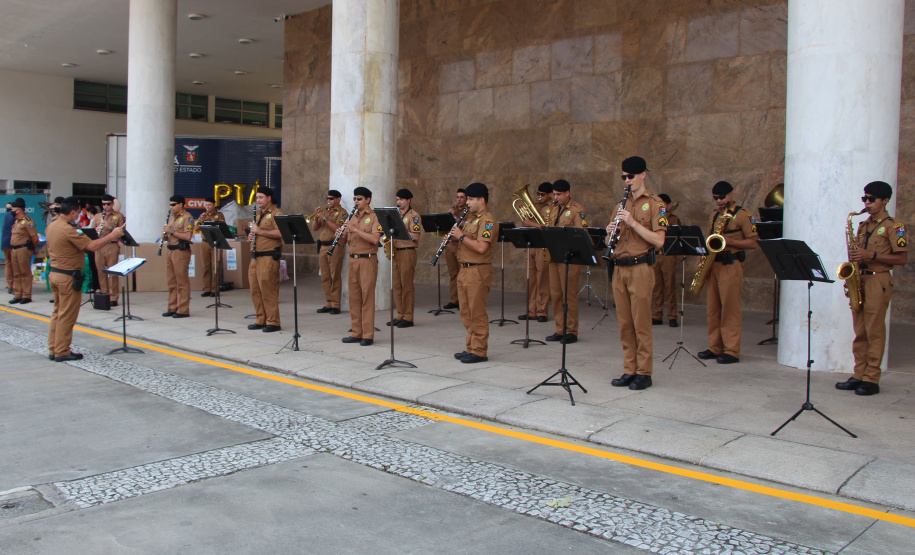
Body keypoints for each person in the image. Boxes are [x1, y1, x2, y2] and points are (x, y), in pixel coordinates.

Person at [836, 181, 908, 396]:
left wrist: (872, 255)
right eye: (864, 199)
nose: (867, 203)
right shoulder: (863, 225)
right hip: (861, 279)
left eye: (871, 199)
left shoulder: (896, 226)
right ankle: (858, 374)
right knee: (860, 331)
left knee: (874, 331)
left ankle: (871, 378)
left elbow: (902, 259)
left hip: (879, 279)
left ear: (885, 200)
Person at [608, 157, 668, 390]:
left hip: (641, 268)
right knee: (625, 324)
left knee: (641, 323)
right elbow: (608, 241)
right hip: (620, 268)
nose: (627, 180)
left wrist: (632, 223)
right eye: (623, 176)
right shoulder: (620, 204)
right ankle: (629, 369)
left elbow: (659, 241)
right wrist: (609, 231)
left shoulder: (656, 204)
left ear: (643, 174)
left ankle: (644, 372)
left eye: (630, 176)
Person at [46, 196, 123, 361]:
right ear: (73, 212)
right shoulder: (69, 229)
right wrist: (112, 235)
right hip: (67, 277)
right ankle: (61, 351)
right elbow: (92, 246)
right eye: (77, 213)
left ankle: (53, 348)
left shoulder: (52, 225)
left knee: (57, 313)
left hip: (55, 273)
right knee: (67, 315)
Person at [696, 181, 758, 364]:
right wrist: (702, 255)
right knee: (713, 308)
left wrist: (729, 241)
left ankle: (732, 350)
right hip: (713, 264)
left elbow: (753, 242)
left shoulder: (743, 214)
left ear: (731, 194)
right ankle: (715, 347)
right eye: (715, 198)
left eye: (722, 197)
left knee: (730, 309)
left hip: (731, 265)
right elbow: (709, 238)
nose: (719, 201)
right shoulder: (715, 215)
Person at [451, 182, 499, 363]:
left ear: (481, 199)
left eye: (471, 199)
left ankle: (479, 351)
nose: (467, 203)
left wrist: (461, 236)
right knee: (466, 312)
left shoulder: (487, 221)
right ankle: (470, 347)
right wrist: (455, 241)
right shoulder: (471, 219)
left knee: (477, 312)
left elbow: (481, 248)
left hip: (478, 271)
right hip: (465, 269)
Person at [542, 179, 588, 344]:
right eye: (554, 194)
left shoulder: (577, 210)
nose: (556, 197)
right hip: (555, 256)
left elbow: (581, 234)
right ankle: (560, 329)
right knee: (556, 294)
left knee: (569, 295)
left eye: (559, 194)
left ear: (568, 193)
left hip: (570, 258)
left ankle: (571, 331)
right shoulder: (553, 209)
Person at [340, 187, 382, 346]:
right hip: (352, 260)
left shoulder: (374, 217)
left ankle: (368, 335)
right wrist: (343, 233)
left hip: (367, 260)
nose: (356, 201)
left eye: (359, 198)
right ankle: (356, 332)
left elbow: (375, 240)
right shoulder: (351, 217)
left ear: (368, 200)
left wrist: (355, 229)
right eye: (354, 199)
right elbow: (344, 242)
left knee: (367, 298)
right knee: (354, 298)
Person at [247, 187, 285, 332]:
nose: (258, 200)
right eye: (257, 198)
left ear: (269, 198)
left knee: (268, 289)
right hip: (255, 256)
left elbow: (281, 232)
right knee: (255, 290)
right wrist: (251, 236)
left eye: (261, 197)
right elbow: (257, 232)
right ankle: (261, 319)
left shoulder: (276, 214)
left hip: (268, 257)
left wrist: (260, 231)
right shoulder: (258, 215)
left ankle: (273, 321)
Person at [388, 188, 422, 328]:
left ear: (408, 200)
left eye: (401, 199)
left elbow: (416, 236)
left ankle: (408, 317)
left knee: (406, 285)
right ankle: (400, 314)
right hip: (396, 251)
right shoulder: (396, 215)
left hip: (407, 251)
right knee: (396, 285)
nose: (399, 201)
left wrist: (400, 231)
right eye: (397, 199)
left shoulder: (414, 216)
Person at [519, 182, 553, 323]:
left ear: (550, 194)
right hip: (531, 245)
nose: (539, 197)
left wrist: (531, 223)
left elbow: (549, 228)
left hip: (544, 246)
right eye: (538, 194)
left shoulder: (553, 208)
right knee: (530, 280)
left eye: (543, 194)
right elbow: (524, 223)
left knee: (543, 280)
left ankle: (542, 311)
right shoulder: (535, 206)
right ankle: (530, 311)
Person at [312, 190, 347, 315]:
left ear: (338, 199)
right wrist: (317, 217)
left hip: (335, 246)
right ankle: (329, 302)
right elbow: (315, 228)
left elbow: (339, 229)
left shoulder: (342, 213)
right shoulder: (325, 211)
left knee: (334, 275)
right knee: (325, 276)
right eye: (328, 198)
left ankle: (336, 304)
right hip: (323, 247)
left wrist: (325, 218)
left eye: (331, 198)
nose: (329, 201)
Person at [161, 195, 195, 319]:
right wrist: (165, 235)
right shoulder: (171, 218)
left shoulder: (188, 218)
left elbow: (187, 237)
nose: (171, 207)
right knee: (171, 281)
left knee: (182, 281)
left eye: (173, 204)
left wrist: (172, 232)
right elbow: (169, 235)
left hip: (180, 251)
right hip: (170, 250)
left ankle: (183, 309)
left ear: (181, 204)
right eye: (170, 205)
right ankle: (172, 307)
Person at [651, 193, 681, 327]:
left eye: (663, 204)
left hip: (668, 255)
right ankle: (657, 314)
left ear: (669, 205)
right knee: (656, 287)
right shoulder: (653, 218)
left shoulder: (674, 219)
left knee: (670, 286)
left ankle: (672, 315)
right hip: (656, 255)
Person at [93, 194, 125, 306]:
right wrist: (96, 229)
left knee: (113, 272)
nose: (105, 206)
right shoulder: (97, 216)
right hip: (99, 244)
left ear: (112, 204)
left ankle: (113, 297)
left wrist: (109, 227)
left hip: (112, 245)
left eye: (108, 204)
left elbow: (122, 232)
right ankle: (104, 293)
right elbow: (91, 231)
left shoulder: (119, 216)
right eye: (103, 204)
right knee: (100, 271)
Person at [8, 198, 41, 305]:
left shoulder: (27, 221)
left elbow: (34, 237)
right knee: (17, 273)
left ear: (19, 210)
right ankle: (18, 294)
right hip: (15, 249)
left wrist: (34, 248)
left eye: (13, 209)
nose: (11, 211)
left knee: (25, 272)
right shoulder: (17, 221)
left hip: (23, 249)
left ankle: (26, 295)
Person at [194, 197, 225, 297]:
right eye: (206, 205)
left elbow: (222, 226)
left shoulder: (219, 215)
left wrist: (211, 219)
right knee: (205, 267)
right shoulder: (203, 215)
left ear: (214, 205)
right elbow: (196, 228)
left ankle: (214, 289)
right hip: (204, 243)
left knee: (216, 266)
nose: (207, 207)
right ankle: (206, 288)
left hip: (215, 242)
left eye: (209, 205)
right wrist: (201, 219)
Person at [443, 188, 468, 310]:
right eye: (457, 197)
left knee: (463, 273)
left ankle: (464, 300)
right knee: (453, 273)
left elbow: (468, 224)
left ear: (466, 198)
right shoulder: (454, 209)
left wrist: (455, 217)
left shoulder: (469, 210)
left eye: (461, 197)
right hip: (450, 244)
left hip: (461, 245)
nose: (459, 199)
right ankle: (454, 299)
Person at [2, 202, 15, 294]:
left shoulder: (6, 216)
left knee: (8, 264)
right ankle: (14, 286)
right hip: (13, 243)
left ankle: (10, 284)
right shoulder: (14, 216)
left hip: (4, 242)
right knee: (14, 264)